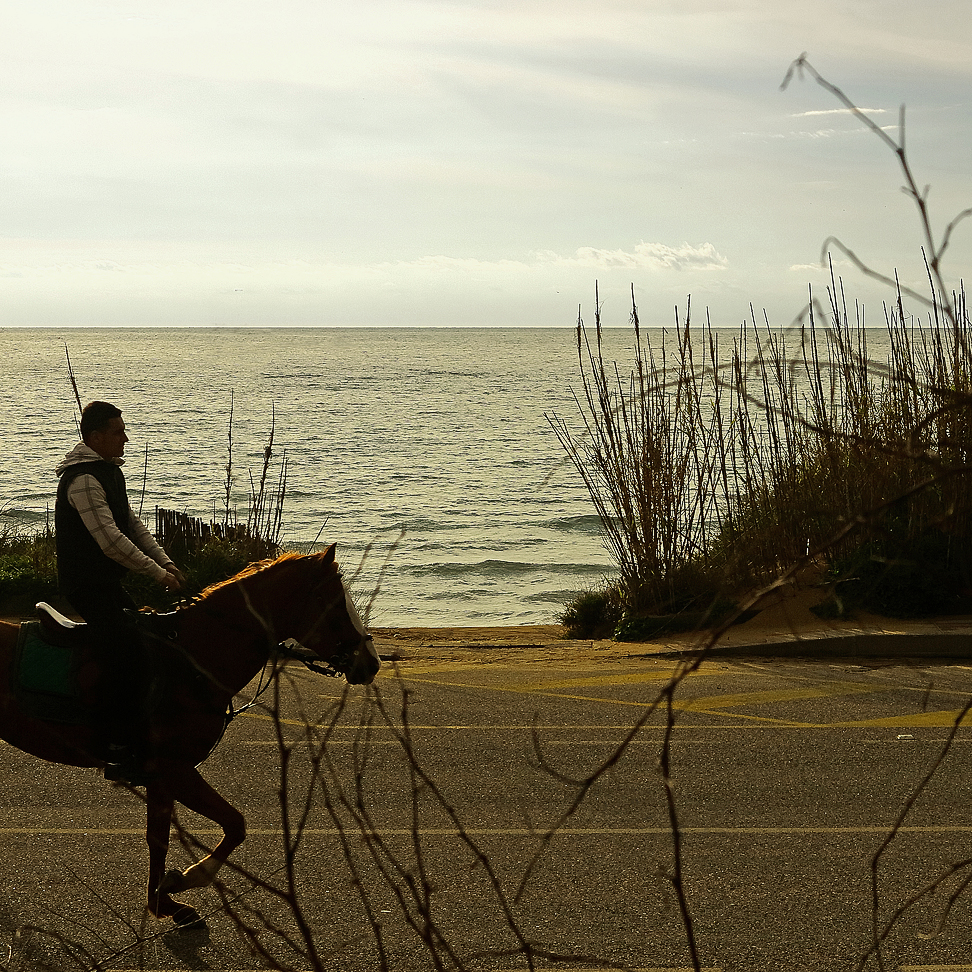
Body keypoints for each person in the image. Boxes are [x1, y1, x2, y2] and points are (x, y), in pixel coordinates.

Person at [54, 400, 185, 784]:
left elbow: (132, 525)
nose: (125, 438)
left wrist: (167, 561)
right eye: (117, 432)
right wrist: (158, 576)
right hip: (86, 587)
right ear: (95, 438)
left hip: (106, 584)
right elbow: (110, 541)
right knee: (124, 656)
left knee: (146, 643)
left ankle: (139, 731)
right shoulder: (83, 480)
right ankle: (114, 749)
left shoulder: (109, 474)